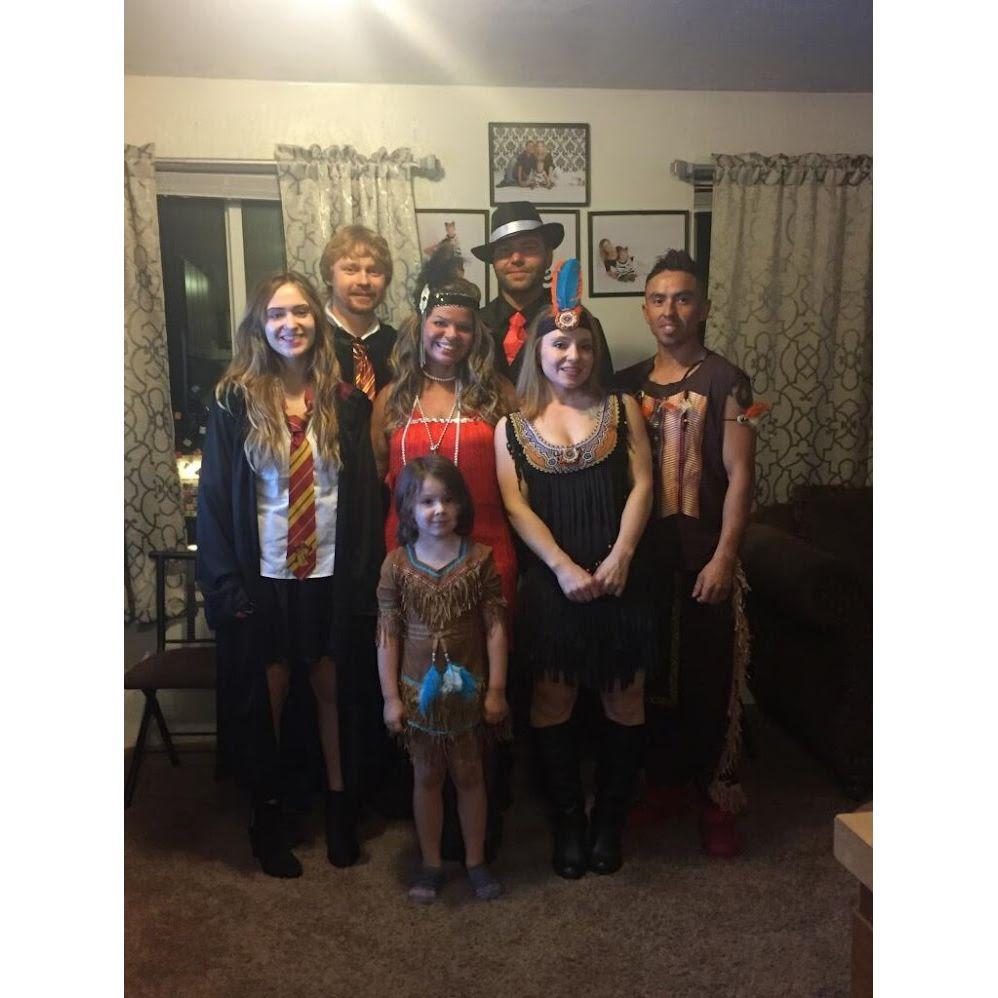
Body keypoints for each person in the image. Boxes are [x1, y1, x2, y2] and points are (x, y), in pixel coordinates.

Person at [196, 271, 383, 878]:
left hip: (329, 570)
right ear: (260, 325)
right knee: (270, 693)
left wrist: (364, 577)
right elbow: (216, 499)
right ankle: (268, 813)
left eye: (300, 311)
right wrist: (226, 584)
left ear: (316, 320)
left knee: (332, 688)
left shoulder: (345, 402)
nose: (290, 324)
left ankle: (338, 806)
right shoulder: (234, 402)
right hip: (266, 573)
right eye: (277, 314)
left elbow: (362, 498)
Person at [494, 259, 658, 879]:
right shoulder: (510, 427)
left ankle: (609, 821)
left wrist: (622, 556)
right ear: (538, 350)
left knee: (625, 697)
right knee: (552, 698)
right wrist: (562, 567)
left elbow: (643, 486)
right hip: (552, 582)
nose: (573, 356)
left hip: (620, 577)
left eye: (585, 346)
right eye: (561, 344)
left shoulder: (623, 408)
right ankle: (568, 822)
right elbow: (516, 506)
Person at [370, 249, 518, 863]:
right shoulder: (391, 398)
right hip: (408, 560)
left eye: (463, 325)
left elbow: (519, 479)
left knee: (483, 689)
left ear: (475, 333)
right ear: (421, 325)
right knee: (418, 684)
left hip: (488, 557)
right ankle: (430, 831)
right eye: (440, 323)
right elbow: (380, 476)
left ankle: (482, 829)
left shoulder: (497, 394)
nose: (451, 335)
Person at [615, 249, 760, 858]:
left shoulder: (728, 380)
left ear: (703, 307)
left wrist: (725, 556)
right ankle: (665, 785)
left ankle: (715, 795)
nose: (669, 310)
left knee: (709, 678)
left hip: (704, 554)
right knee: (652, 679)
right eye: (657, 299)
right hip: (645, 558)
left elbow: (741, 475)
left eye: (682, 298)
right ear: (645, 309)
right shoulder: (626, 384)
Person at [376, 456, 509, 903]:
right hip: (420, 699)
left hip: (469, 695)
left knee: (471, 775)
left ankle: (475, 860)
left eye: (448, 499)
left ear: (462, 504)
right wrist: (390, 698)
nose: (439, 510)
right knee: (427, 777)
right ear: (408, 508)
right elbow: (388, 635)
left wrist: (496, 690)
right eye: (427, 501)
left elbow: (495, 627)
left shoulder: (480, 560)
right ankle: (431, 863)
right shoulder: (396, 566)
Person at [472, 201, 614, 384]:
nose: (516, 258)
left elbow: (601, 393)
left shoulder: (581, 324)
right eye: (505, 250)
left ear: (548, 257)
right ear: (494, 261)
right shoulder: (474, 326)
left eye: (529, 248)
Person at [319, 225, 397, 400]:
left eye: (374, 271)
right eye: (351, 270)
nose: (364, 281)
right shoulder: (310, 342)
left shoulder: (400, 346)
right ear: (329, 276)